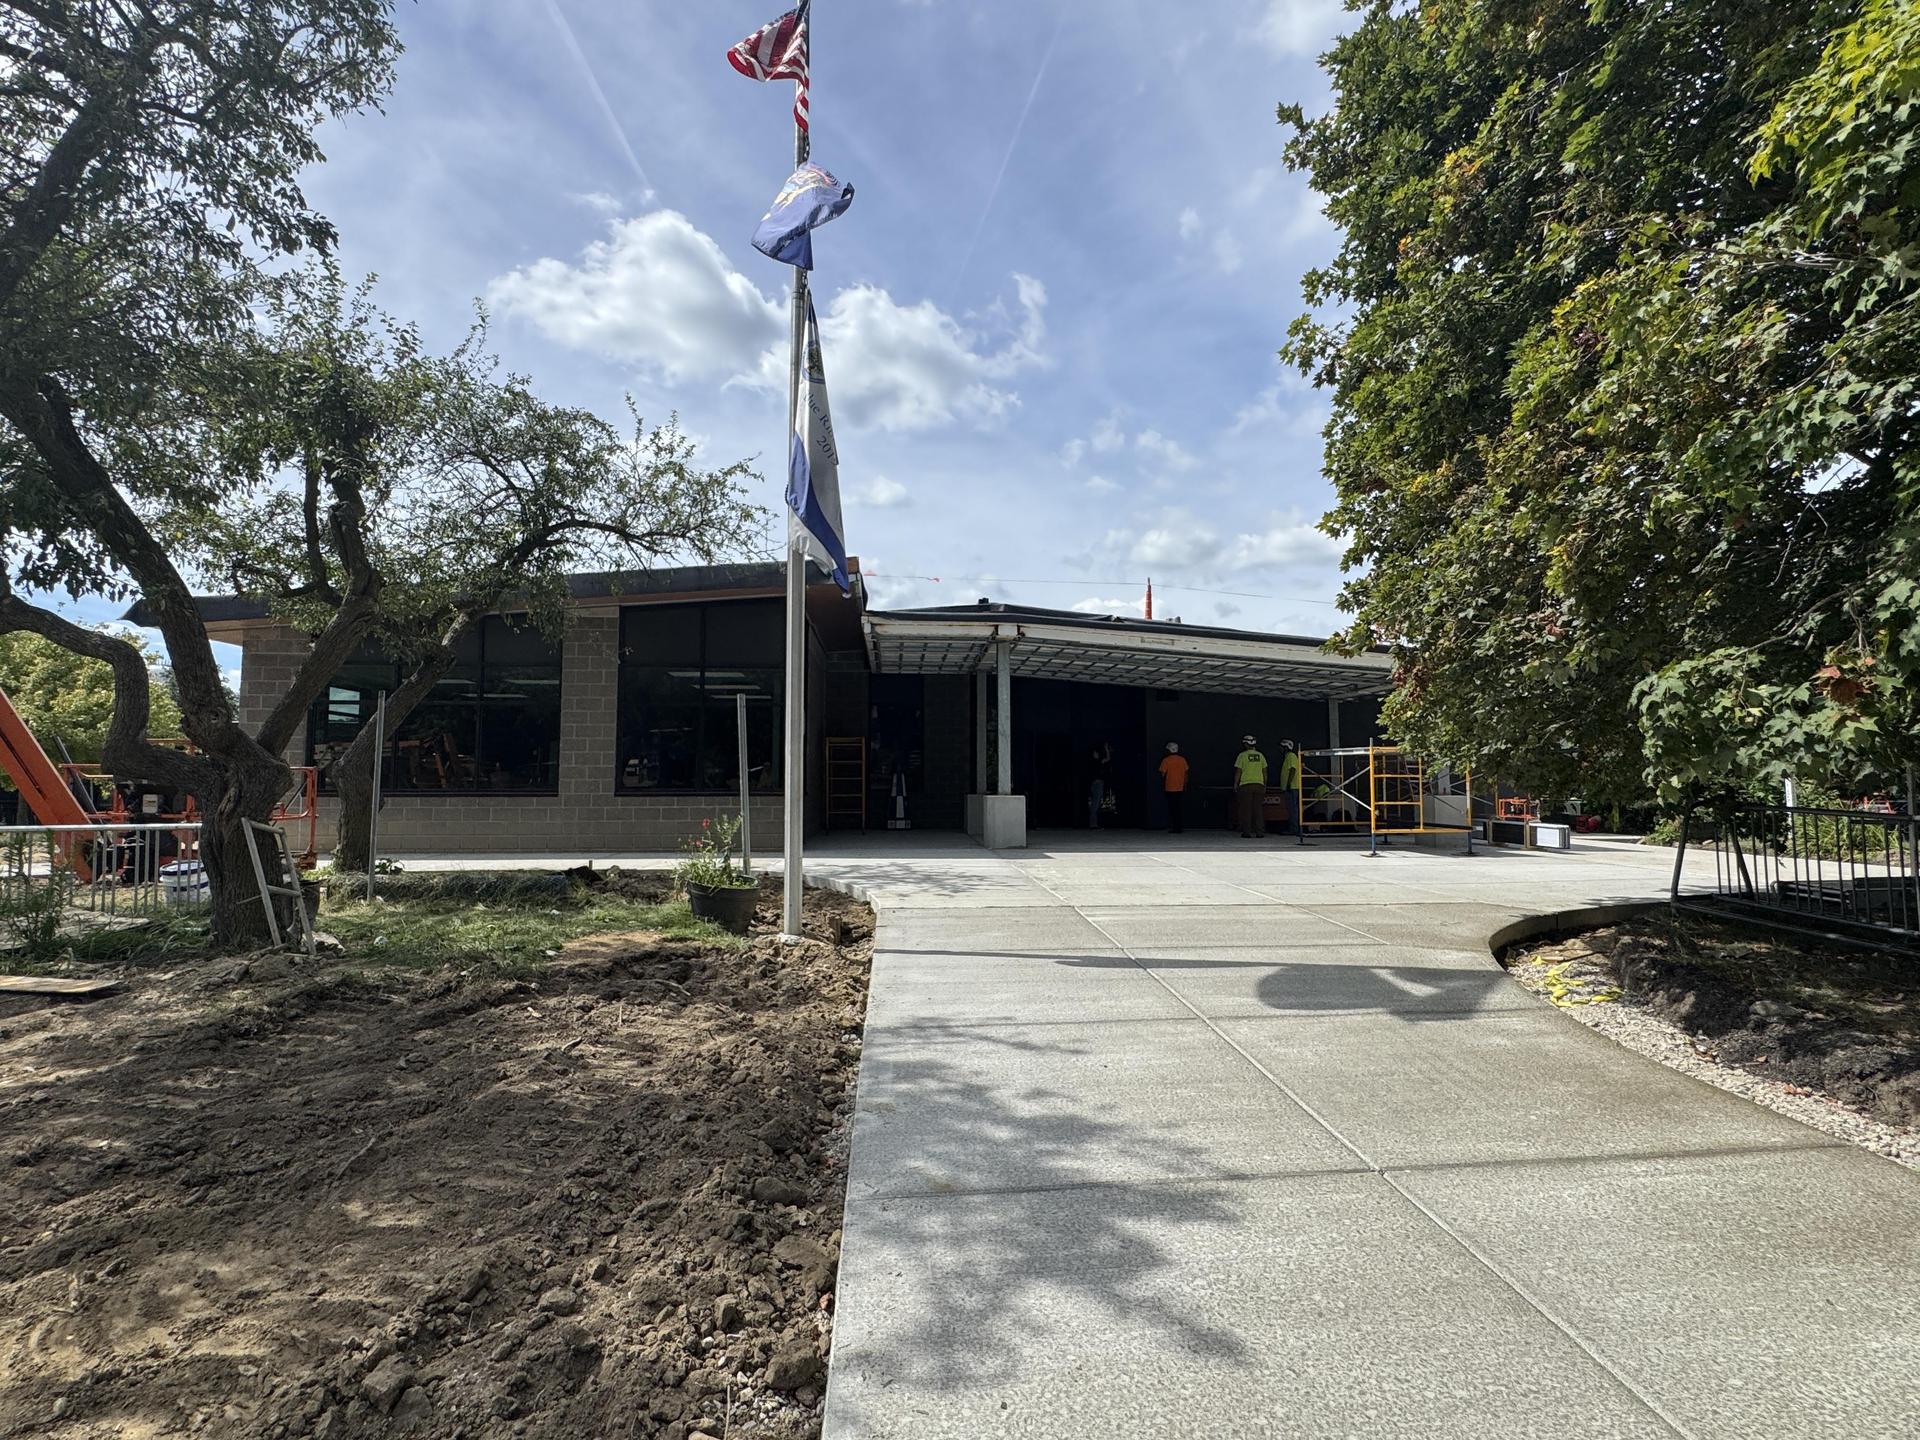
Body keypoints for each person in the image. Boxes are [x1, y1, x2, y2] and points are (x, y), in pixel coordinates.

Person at [1233, 734, 1268, 838]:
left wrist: (1235, 784)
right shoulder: (1261, 756)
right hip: (1259, 785)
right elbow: (1265, 772)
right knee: (1258, 809)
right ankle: (1260, 832)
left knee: (1246, 809)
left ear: (1246, 744)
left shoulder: (1242, 756)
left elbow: (1238, 771)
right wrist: (1264, 784)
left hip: (1246, 785)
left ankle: (1247, 832)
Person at [1157, 741, 1190, 833]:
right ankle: (1179, 827)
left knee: (1172, 808)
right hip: (1180, 787)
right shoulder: (1182, 760)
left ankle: (1174, 827)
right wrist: (1185, 784)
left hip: (1170, 787)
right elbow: (1186, 773)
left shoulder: (1166, 760)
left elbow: (1162, 773)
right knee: (1179, 807)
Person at [1277, 740, 1302, 835]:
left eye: (1281, 747)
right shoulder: (1288, 757)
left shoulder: (1291, 756)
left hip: (1292, 787)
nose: (1280, 749)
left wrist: (1288, 783)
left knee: (1293, 809)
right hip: (1290, 787)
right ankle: (1294, 828)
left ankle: (1294, 829)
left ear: (1286, 748)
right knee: (1291, 809)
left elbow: (1292, 769)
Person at [1087, 739, 1112, 828]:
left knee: (1096, 804)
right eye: (1095, 753)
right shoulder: (1092, 763)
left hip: (1099, 784)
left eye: (1096, 753)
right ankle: (1093, 825)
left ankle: (1094, 824)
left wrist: (1106, 749)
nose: (1096, 754)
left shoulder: (1099, 761)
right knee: (1095, 804)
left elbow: (1108, 759)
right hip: (1096, 784)